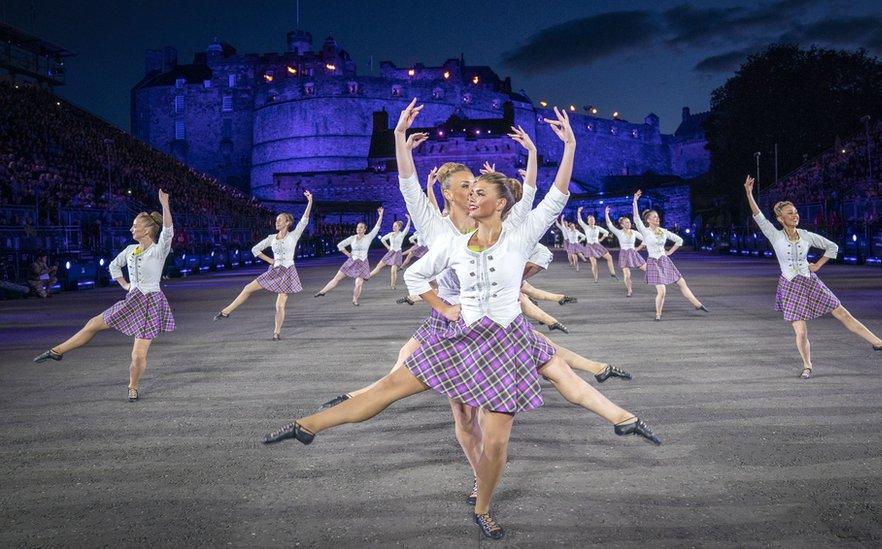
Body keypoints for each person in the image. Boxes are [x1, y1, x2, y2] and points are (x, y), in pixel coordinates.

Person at [262, 107, 660, 541]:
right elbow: (411, 210)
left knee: (500, 439)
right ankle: (308, 426)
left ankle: (486, 504)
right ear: (454, 194)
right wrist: (442, 306)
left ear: (498, 203)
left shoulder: (519, 234)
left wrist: (568, 147)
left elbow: (551, 198)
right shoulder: (448, 239)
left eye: (479, 190)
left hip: (505, 342)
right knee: (388, 390)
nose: (472, 195)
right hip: (456, 335)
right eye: (467, 189)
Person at [744, 176, 882, 378]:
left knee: (843, 313)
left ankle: (878, 343)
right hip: (790, 285)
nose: (795, 215)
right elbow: (758, 215)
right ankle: (807, 365)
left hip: (810, 281)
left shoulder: (806, 235)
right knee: (801, 331)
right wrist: (749, 193)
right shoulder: (775, 235)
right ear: (781, 219)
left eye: (796, 212)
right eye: (790, 213)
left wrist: (817, 265)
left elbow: (831, 246)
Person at [33, 190, 175, 401]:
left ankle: (132, 387)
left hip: (151, 303)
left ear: (146, 230)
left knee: (138, 355)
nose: (131, 228)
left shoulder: (158, 250)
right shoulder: (129, 250)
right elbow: (113, 266)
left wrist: (164, 204)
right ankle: (57, 351)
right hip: (132, 300)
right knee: (93, 324)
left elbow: (168, 230)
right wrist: (126, 284)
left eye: (135, 225)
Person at [213, 191, 313, 340]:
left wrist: (310, 202)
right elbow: (255, 250)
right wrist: (270, 261)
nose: (277, 222)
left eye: (280, 220)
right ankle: (226, 311)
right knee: (247, 288)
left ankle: (276, 333)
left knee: (280, 305)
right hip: (274, 270)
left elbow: (304, 220)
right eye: (276, 220)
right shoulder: (271, 238)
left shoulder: (294, 235)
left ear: (288, 223)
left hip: (288, 272)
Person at [633, 191, 708, 320]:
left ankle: (697, 304)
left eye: (658, 216)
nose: (658, 218)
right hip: (654, 262)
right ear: (648, 220)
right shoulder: (645, 231)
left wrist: (669, 252)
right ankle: (658, 314)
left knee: (682, 283)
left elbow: (679, 241)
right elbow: (636, 218)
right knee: (662, 291)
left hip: (665, 260)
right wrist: (635, 201)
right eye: (655, 217)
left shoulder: (663, 231)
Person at [314, 208, 384, 306]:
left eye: (361, 227)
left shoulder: (369, 237)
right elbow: (340, 245)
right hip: (351, 261)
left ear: (365, 229)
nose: (358, 229)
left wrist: (380, 216)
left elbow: (377, 227)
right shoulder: (352, 238)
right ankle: (322, 291)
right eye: (358, 227)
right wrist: (348, 254)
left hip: (363, 262)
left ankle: (355, 300)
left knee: (359, 283)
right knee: (337, 278)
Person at [604, 206, 645, 297]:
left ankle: (658, 281)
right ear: (622, 224)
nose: (629, 223)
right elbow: (609, 225)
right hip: (624, 254)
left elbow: (645, 239)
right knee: (627, 275)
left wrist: (638, 248)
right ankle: (629, 290)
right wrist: (606, 213)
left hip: (633, 253)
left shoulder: (634, 232)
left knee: (647, 269)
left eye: (629, 222)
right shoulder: (619, 232)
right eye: (626, 222)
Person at [370, 216, 412, 289]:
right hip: (390, 253)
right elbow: (383, 239)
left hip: (397, 253)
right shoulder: (390, 234)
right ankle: (368, 276)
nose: (394, 227)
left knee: (393, 271)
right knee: (379, 266)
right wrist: (388, 247)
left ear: (399, 227)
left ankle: (393, 285)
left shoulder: (402, 234)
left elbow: (407, 227)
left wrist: (409, 219)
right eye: (393, 226)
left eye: (395, 226)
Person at [577, 208, 618, 282]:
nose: (592, 221)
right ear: (588, 221)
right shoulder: (586, 227)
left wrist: (601, 239)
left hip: (597, 245)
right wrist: (579, 212)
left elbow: (606, 232)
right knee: (594, 263)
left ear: (594, 220)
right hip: (590, 246)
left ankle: (613, 273)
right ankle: (596, 277)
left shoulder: (597, 228)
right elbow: (580, 221)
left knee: (609, 257)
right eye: (590, 220)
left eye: (593, 219)